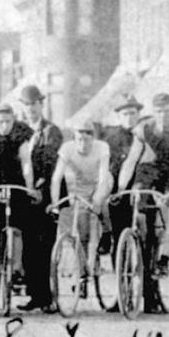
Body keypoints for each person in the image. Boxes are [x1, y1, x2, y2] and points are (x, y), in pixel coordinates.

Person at [116, 92, 169, 314]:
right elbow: (132, 158)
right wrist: (122, 187)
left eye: (166, 111)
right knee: (138, 203)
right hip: (148, 171)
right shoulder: (144, 128)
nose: (162, 115)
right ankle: (136, 242)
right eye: (158, 111)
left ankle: (163, 259)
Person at [0, 101, 39, 302]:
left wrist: (30, 187)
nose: (4, 126)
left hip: (16, 180)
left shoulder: (21, 134)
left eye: (8, 121)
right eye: (0, 122)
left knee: (19, 223)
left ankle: (17, 267)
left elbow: (26, 162)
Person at [51, 115, 112, 296]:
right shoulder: (67, 149)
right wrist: (55, 203)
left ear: (93, 138)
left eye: (87, 139)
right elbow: (56, 177)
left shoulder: (102, 148)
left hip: (100, 183)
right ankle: (83, 274)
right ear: (74, 138)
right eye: (79, 139)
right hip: (80, 187)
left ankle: (107, 233)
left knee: (100, 202)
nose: (83, 143)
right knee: (81, 233)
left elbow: (103, 176)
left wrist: (97, 200)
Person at [17, 84, 66, 312]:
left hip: (46, 196)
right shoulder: (19, 129)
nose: (30, 110)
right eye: (26, 105)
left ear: (41, 105)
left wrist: (40, 188)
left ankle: (47, 298)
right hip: (25, 196)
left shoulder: (51, 131)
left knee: (44, 246)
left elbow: (50, 164)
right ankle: (34, 295)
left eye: (34, 105)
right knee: (27, 246)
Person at [100, 94, 145, 259]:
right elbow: (107, 165)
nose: (129, 118)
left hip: (141, 185)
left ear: (139, 114)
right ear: (119, 116)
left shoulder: (145, 135)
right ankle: (108, 237)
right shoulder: (112, 139)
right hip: (119, 189)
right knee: (118, 231)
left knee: (146, 228)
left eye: (133, 113)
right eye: (125, 114)